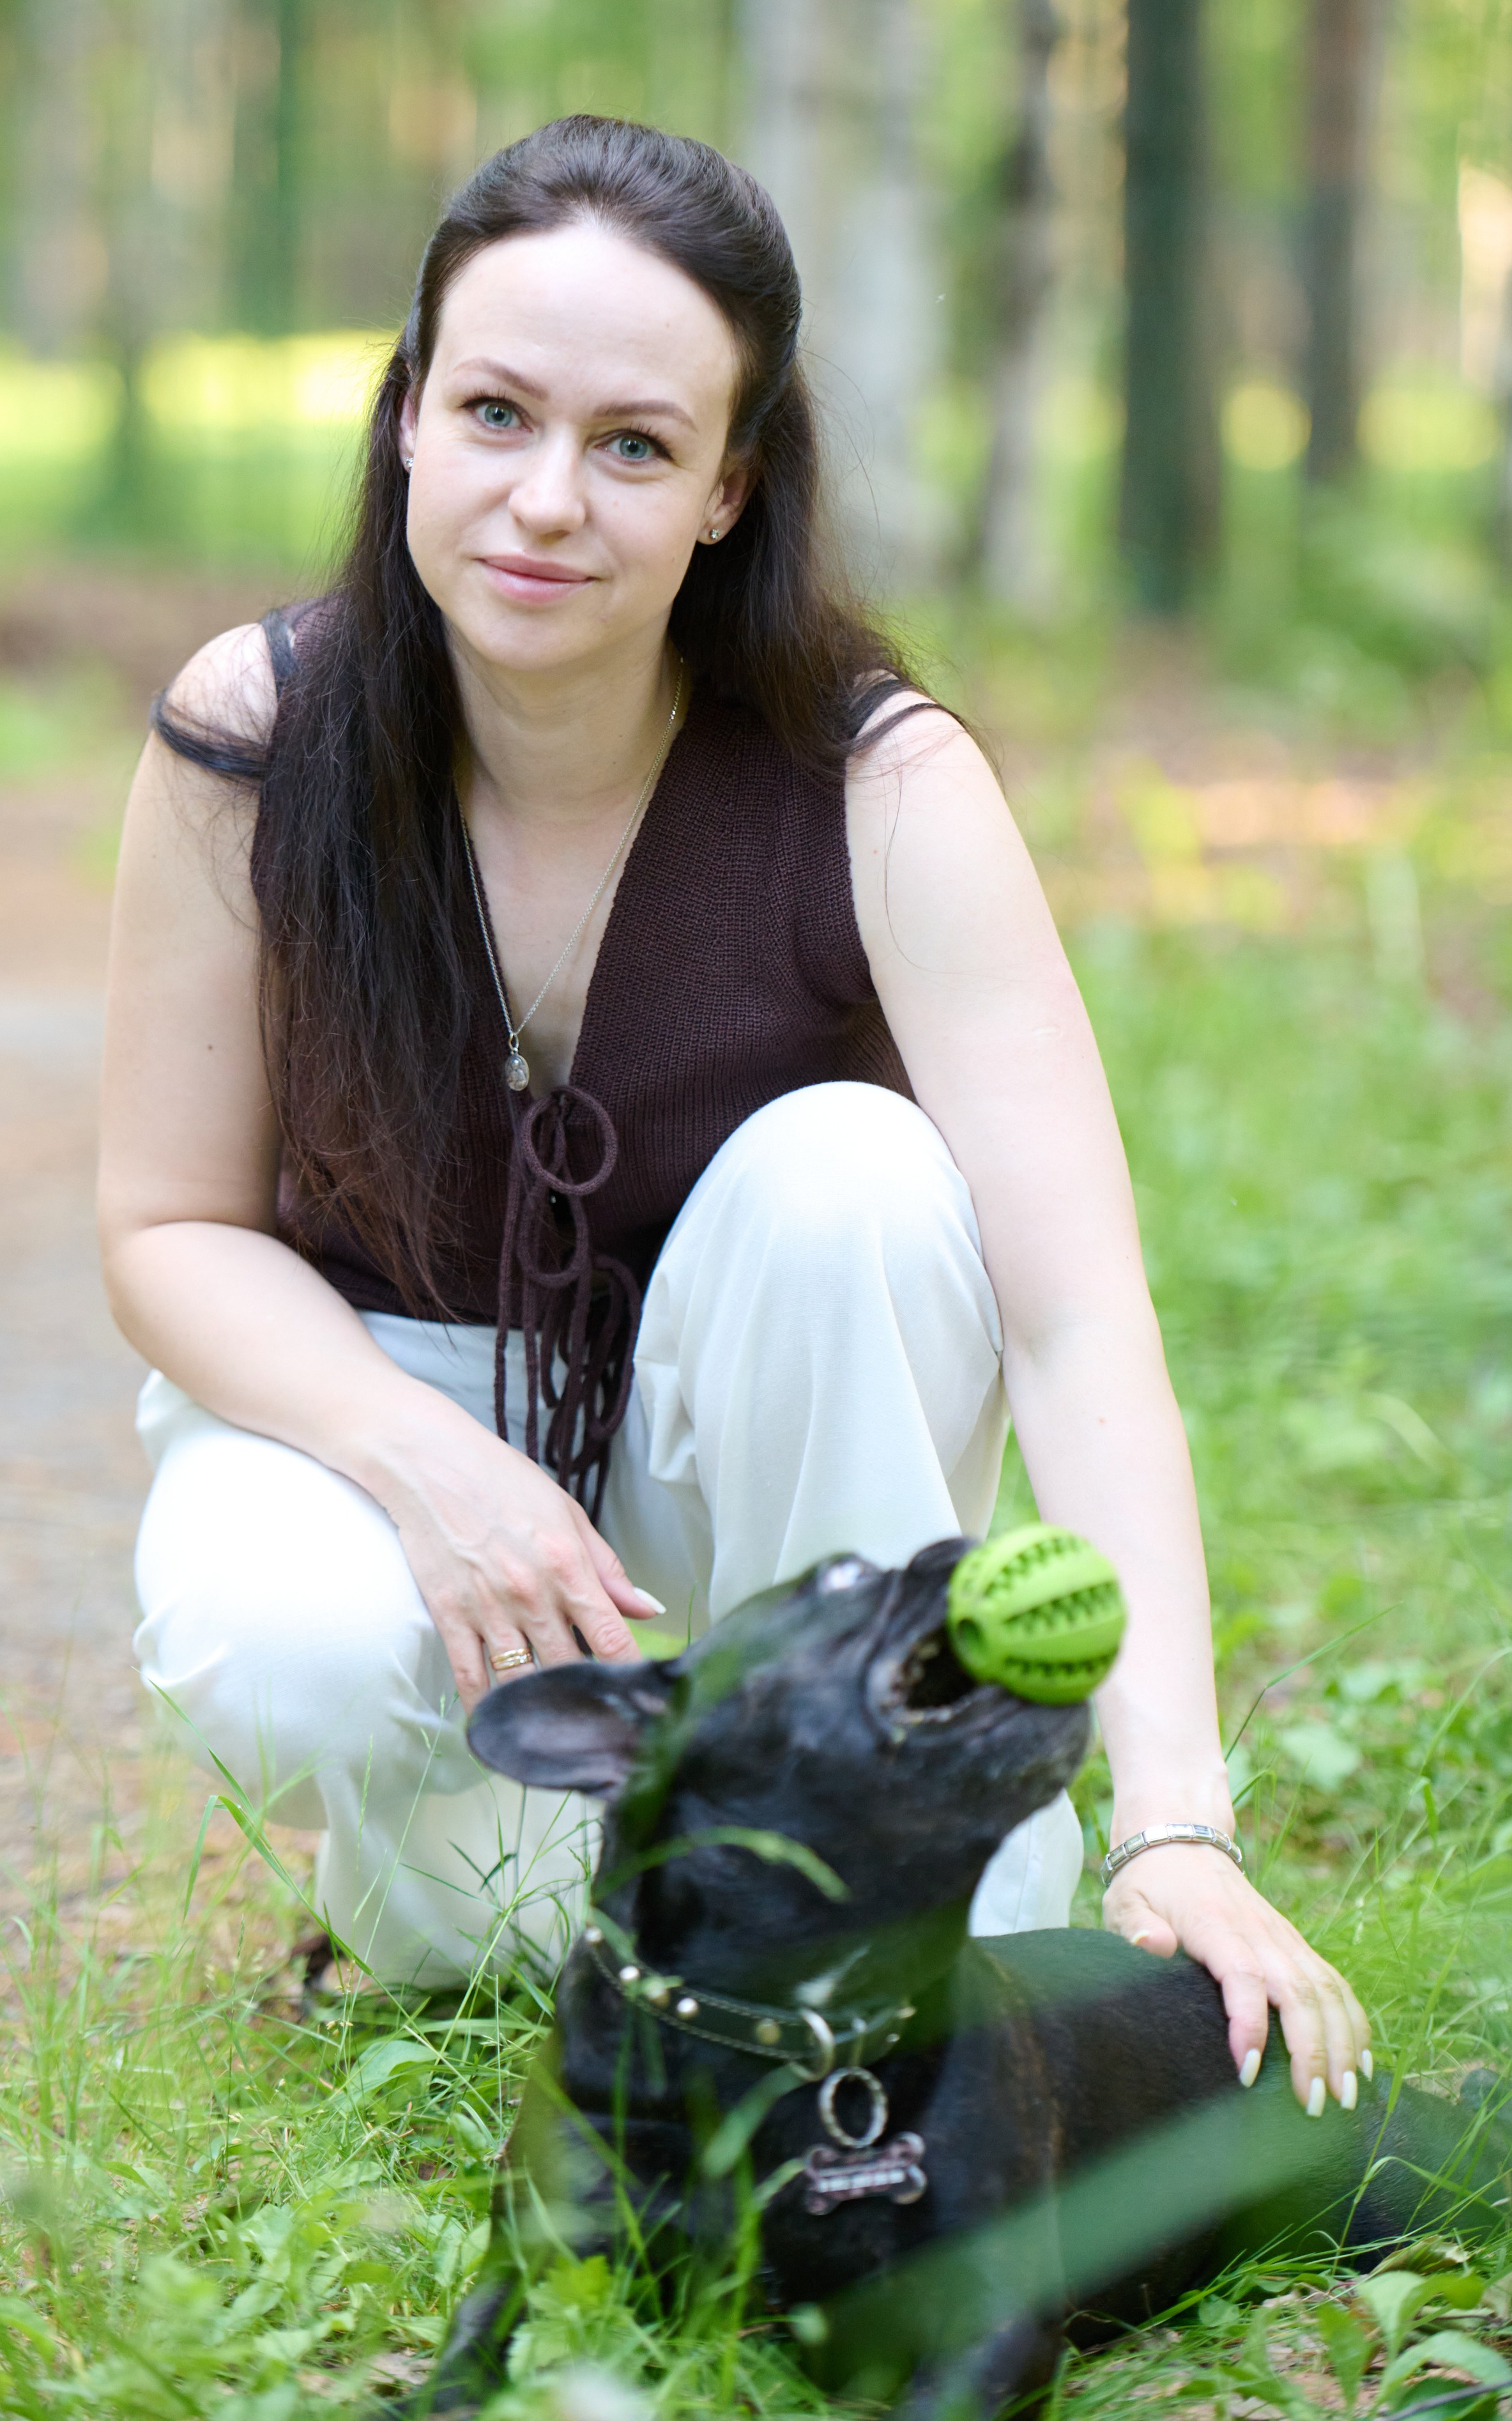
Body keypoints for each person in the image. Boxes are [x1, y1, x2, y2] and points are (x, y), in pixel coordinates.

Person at [98, 114, 1369, 2116]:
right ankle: (485, 1897)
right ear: (408, 415)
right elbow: (169, 1227)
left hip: (755, 1462)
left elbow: (1074, 1320)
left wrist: (1176, 1820)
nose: (546, 500)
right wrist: (434, 1471)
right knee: (290, 1650)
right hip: (380, 1399)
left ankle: (893, 1880)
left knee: (852, 1176)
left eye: (633, 445)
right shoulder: (256, 737)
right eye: (495, 413)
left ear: (726, 488)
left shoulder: (883, 785)